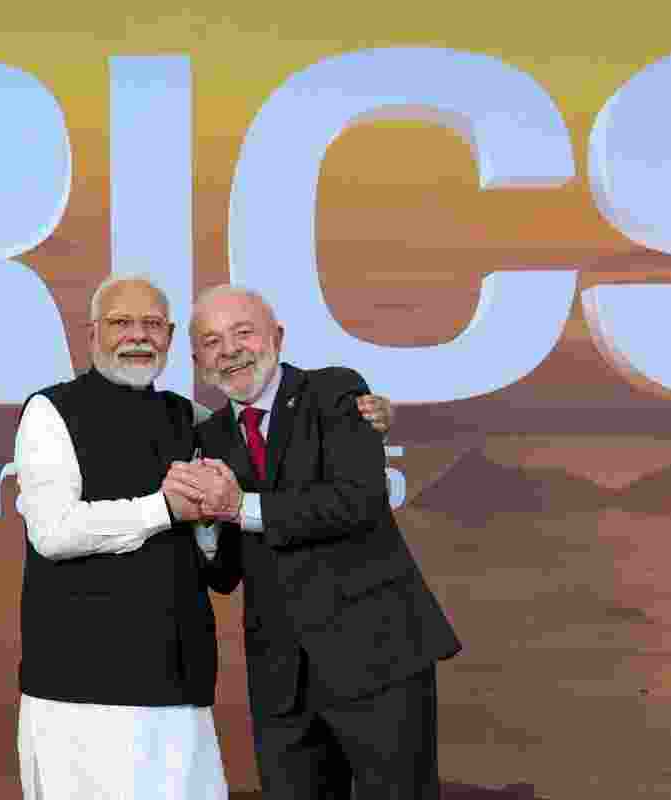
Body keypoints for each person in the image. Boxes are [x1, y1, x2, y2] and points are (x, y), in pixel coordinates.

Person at [11, 275, 394, 800]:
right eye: (122, 323)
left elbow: (273, 463)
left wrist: (366, 420)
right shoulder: (49, 411)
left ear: (170, 338)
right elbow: (53, 532)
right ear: (92, 333)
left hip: (178, 678)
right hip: (79, 685)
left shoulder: (193, 420)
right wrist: (160, 509)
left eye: (151, 324)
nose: (137, 335)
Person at [170, 284, 462, 800]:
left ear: (276, 337)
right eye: (213, 342)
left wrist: (239, 507)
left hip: (377, 658)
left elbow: (357, 501)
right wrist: (207, 524)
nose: (230, 350)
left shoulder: (335, 393)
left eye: (244, 332)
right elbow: (226, 573)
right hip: (282, 680)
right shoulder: (210, 439)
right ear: (197, 360)